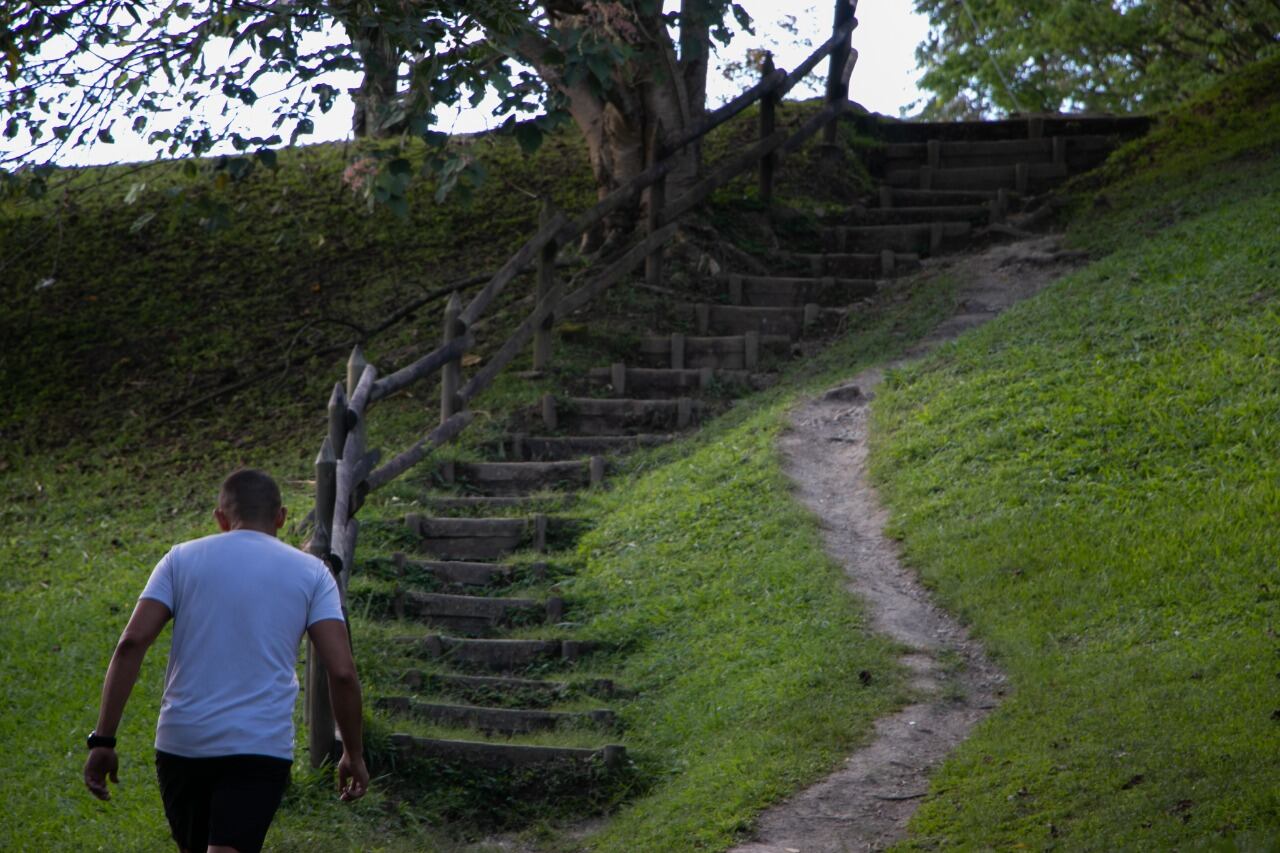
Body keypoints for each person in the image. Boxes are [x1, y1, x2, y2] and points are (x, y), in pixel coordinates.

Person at [83, 467, 368, 853]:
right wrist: (352, 752)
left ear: (220, 517)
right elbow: (342, 672)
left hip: (183, 742)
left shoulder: (180, 559)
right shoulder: (312, 574)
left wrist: (103, 740)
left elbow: (131, 644)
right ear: (281, 517)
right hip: (259, 744)